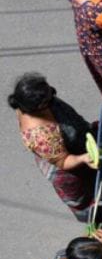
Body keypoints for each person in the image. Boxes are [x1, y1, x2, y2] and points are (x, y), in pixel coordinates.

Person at [8, 73, 97, 221]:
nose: (54, 93)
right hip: (67, 167)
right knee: (84, 199)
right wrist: (83, 158)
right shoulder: (40, 135)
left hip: (78, 146)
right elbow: (63, 161)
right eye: (49, 98)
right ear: (39, 107)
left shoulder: (42, 101)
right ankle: (96, 219)